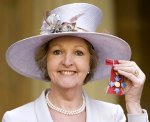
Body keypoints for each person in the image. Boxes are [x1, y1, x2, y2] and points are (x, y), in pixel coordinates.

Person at [2, 3, 149, 122]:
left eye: (78, 53)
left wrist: (133, 104)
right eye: (57, 52)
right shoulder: (16, 118)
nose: (67, 62)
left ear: (90, 64)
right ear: (45, 61)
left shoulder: (112, 115)